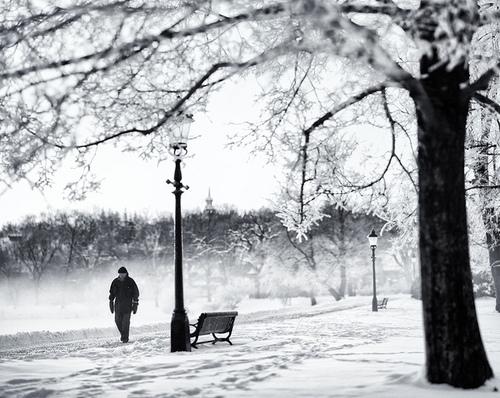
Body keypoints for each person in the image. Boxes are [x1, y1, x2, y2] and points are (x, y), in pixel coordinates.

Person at [109, 266, 140, 343]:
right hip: (118, 306)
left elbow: (136, 293)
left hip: (127, 306)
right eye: (120, 273)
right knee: (117, 321)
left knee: (125, 322)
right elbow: (112, 293)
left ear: (126, 273)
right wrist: (111, 302)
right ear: (118, 274)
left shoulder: (130, 281)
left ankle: (125, 338)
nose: (122, 275)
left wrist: (135, 304)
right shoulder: (115, 282)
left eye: (123, 273)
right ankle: (123, 334)